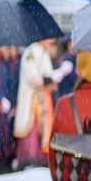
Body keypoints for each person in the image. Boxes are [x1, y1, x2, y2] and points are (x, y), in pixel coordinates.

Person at [13, 38, 67, 169]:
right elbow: (34, 78)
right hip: (34, 100)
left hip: (43, 98)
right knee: (33, 129)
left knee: (44, 129)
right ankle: (31, 160)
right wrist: (53, 77)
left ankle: (41, 159)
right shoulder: (32, 51)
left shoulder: (42, 51)